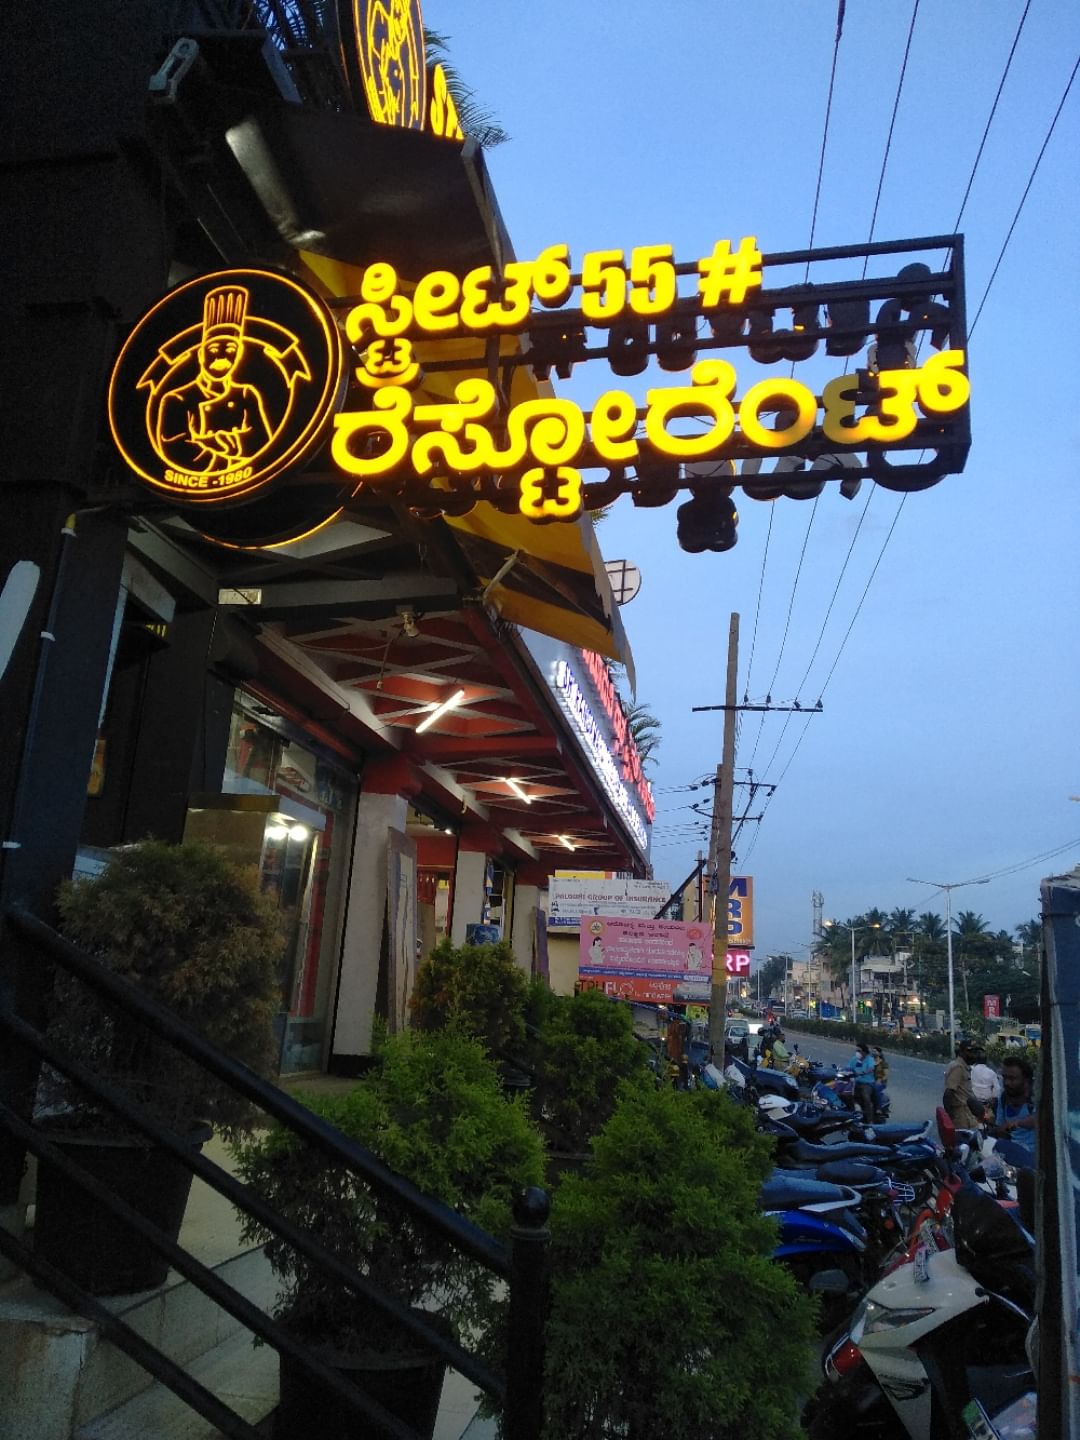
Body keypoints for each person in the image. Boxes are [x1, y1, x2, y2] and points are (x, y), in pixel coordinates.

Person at [989, 1054, 1036, 1165]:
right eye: (1004, 1077)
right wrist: (996, 1130)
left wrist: (1017, 1123)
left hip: (1033, 1159)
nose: (1006, 1083)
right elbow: (1001, 1128)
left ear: (1026, 1080)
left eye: (1012, 1079)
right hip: (1010, 1155)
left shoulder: (1035, 1099)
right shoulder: (1004, 1098)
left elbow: (1037, 1119)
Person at [943, 1039, 986, 1131]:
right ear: (962, 1052)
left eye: (976, 1052)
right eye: (971, 1052)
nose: (974, 1055)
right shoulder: (958, 1067)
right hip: (961, 1116)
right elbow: (948, 1093)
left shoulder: (964, 1067)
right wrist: (951, 1115)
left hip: (968, 1113)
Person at [850, 1042, 877, 1123]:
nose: (857, 1052)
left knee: (866, 1098)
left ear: (864, 1052)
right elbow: (848, 1067)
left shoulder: (869, 1059)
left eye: (859, 1050)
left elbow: (871, 1068)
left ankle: (870, 1121)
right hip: (854, 1082)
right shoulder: (854, 1059)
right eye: (856, 1050)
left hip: (866, 1083)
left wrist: (863, 1072)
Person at [872, 1046, 889, 1117]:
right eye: (873, 1051)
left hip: (880, 1082)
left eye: (875, 1051)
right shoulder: (870, 1061)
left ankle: (878, 1108)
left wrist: (880, 1080)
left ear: (879, 1053)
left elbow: (886, 1075)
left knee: (876, 1089)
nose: (873, 1053)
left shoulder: (883, 1063)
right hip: (870, 1081)